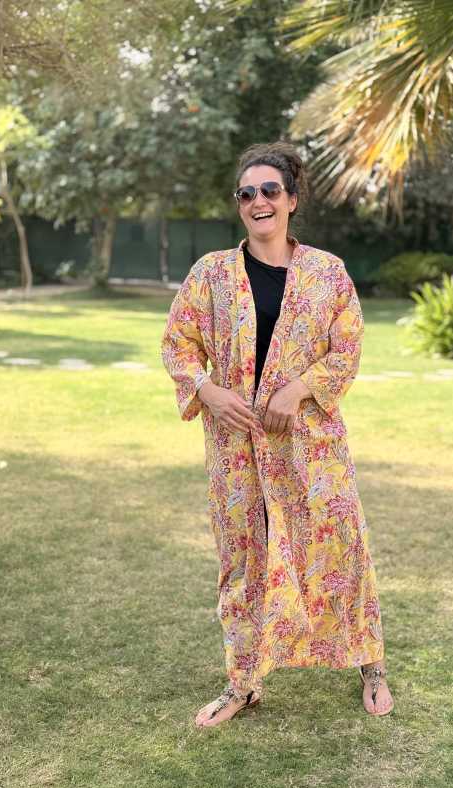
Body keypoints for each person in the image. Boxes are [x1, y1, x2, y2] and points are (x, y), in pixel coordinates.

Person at [161, 141, 394, 727]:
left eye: (269, 190)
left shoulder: (326, 273)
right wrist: (208, 391)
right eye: (247, 193)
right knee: (243, 558)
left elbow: (347, 348)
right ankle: (243, 683)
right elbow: (177, 343)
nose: (257, 201)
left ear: (291, 199)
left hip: (310, 446)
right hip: (236, 449)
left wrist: (299, 389)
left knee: (340, 544)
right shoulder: (211, 273)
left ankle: (369, 662)